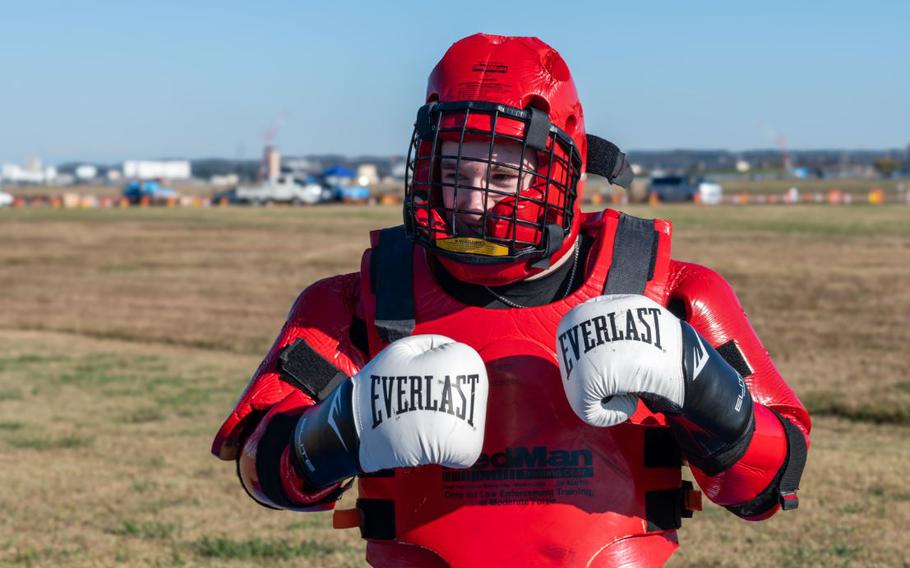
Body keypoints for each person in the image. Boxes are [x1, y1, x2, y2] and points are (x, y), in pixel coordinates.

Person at [211, 33, 810, 567]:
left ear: (563, 170)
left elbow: (773, 483)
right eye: (456, 173)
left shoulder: (670, 291)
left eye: (501, 179)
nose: (474, 202)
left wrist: (701, 388)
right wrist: (342, 425)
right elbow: (263, 470)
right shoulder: (357, 300)